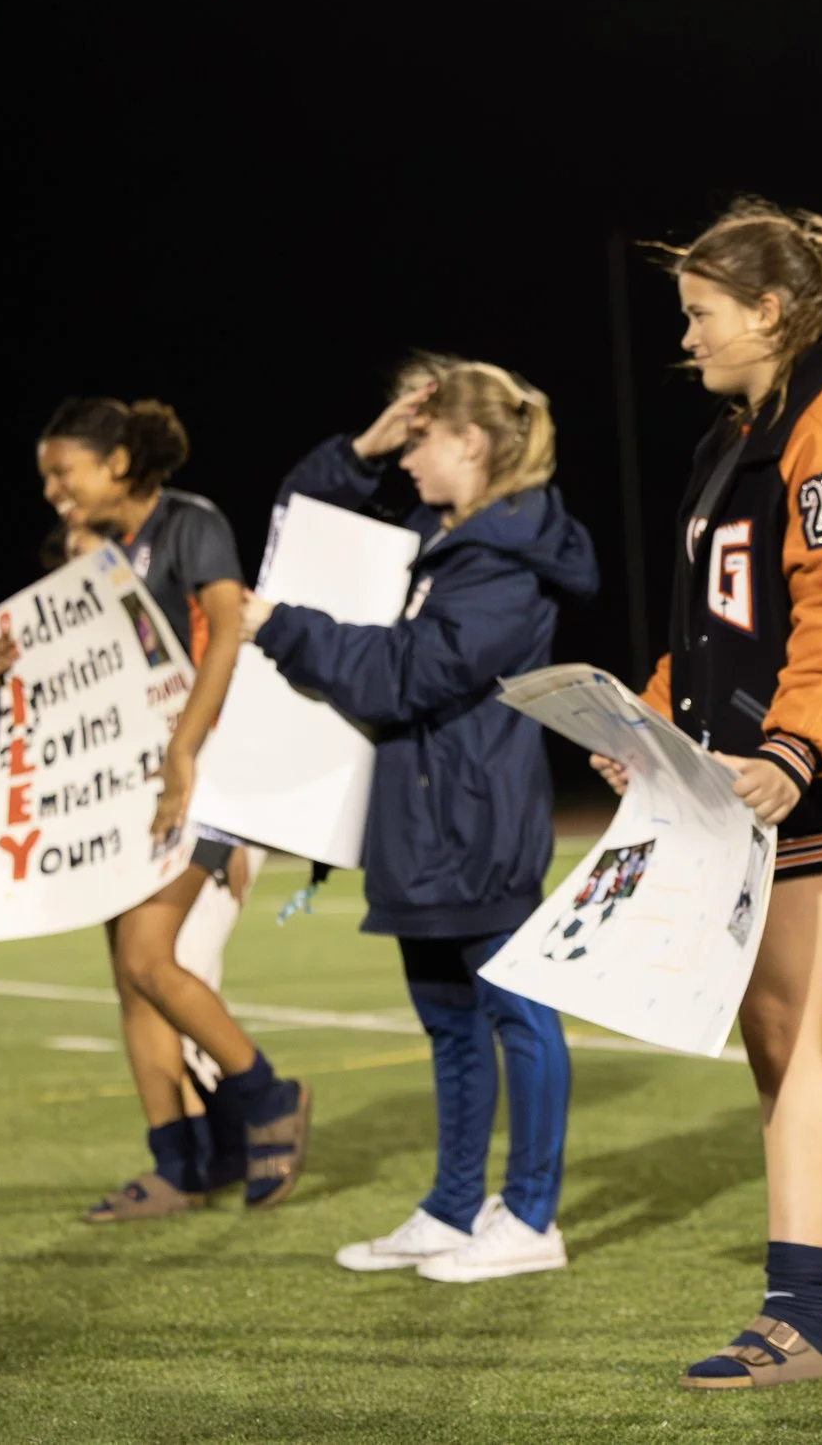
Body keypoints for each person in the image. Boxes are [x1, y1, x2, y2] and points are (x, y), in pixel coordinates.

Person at [593, 198, 822, 1390]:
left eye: (701, 314)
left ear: (767, 310)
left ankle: (793, 1314)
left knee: (784, 1040)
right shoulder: (738, 433)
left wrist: (792, 752)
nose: (685, 337)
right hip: (757, 773)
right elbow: (714, 629)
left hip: (797, 784)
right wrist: (642, 723)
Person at [247, 362, 596, 1282]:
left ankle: (529, 1216)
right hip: (416, 815)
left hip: (476, 817)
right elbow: (305, 533)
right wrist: (360, 446)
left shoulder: (503, 554)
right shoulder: (433, 535)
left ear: (470, 444)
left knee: (517, 1013)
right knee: (449, 1021)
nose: (405, 458)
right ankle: (450, 1208)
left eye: (419, 440)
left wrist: (282, 628)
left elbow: (407, 671)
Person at [0, 398, 311, 1219]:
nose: (54, 489)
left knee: (152, 959)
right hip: (118, 797)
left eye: (64, 471)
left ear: (117, 462)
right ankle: (179, 1162)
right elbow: (59, 675)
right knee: (131, 982)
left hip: (202, 779)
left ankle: (265, 1095)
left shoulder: (189, 521)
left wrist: (184, 754)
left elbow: (228, 632)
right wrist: (2, 663)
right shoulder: (92, 556)